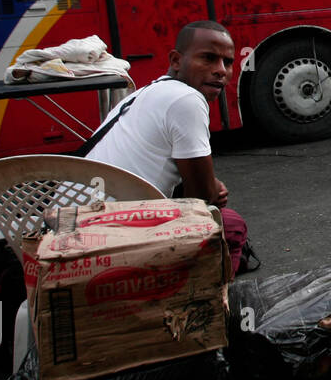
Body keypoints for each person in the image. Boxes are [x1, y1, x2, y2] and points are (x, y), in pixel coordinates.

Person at [86, 20, 253, 274]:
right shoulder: (187, 99)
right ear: (176, 60)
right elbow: (202, 201)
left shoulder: (144, 93)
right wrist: (211, 188)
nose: (221, 71)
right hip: (110, 232)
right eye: (208, 58)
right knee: (230, 225)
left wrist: (208, 185)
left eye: (227, 62)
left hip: (73, 219)